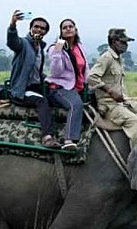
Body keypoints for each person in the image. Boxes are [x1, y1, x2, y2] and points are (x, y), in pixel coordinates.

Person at [88, 28, 137, 147]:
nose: (125, 46)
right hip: (109, 105)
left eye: (126, 43)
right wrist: (110, 92)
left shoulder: (119, 59)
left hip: (125, 101)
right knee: (135, 123)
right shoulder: (106, 58)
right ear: (113, 41)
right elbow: (91, 77)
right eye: (122, 42)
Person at [6, 10, 58, 148]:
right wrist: (12, 25)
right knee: (41, 101)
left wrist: (47, 79)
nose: (39, 30)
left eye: (42, 28)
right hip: (23, 89)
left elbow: (36, 70)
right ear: (30, 28)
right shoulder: (23, 44)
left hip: (36, 86)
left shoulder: (40, 47)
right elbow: (12, 42)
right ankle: (47, 136)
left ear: (45, 32)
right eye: (36, 27)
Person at [45, 18, 88, 151]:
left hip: (77, 87)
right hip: (60, 87)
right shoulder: (56, 48)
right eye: (65, 27)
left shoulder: (79, 47)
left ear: (75, 30)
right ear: (61, 32)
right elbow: (56, 71)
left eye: (71, 26)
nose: (68, 29)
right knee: (75, 104)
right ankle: (69, 139)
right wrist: (58, 50)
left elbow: (86, 68)